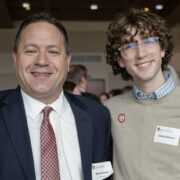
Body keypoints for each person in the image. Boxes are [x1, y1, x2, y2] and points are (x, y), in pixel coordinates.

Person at [0, 13, 112, 180]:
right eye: (31, 51)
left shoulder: (97, 116)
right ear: (15, 58)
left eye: (53, 51)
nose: (42, 61)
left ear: (67, 61)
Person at [105, 8, 180, 180]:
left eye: (148, 41)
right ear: (120, 60)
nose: (141, 53)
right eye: (129, 46)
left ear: (162, 49)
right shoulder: (110, 110)